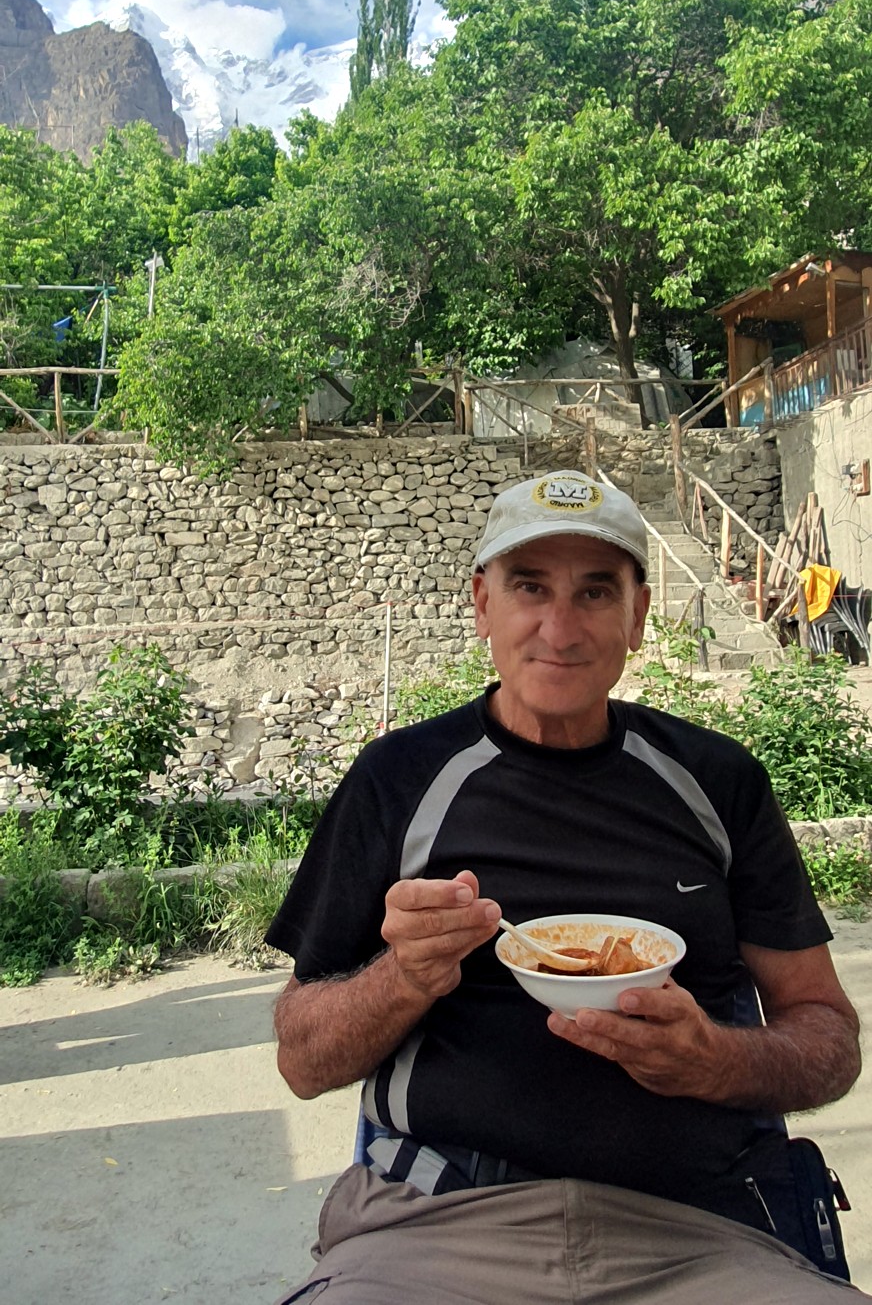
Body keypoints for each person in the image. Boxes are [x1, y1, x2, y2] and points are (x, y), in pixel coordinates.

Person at [266, 469, 866, 1305]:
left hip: (702, 1229)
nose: (560, 627)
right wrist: (403, 977)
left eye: (595, 592)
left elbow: (830, 1040)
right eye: (529, 587)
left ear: (639, 616)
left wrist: (713, 1060)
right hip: (439, 1217)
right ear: (483, 605)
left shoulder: (717, 782)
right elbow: (301, 1060)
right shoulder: (398, 779)